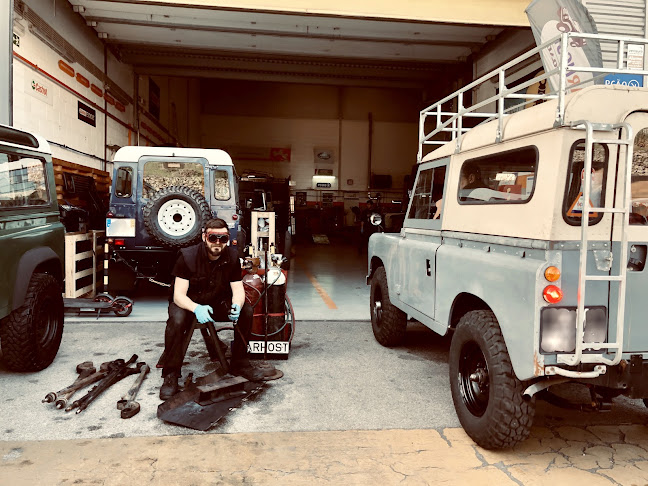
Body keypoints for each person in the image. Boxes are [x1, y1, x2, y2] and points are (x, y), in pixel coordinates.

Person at [160, 217, 263, 400]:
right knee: (176, 320)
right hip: (188, 303)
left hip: (215, 302)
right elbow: (179, 296)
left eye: (222, 239)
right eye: (213, 238)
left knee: (246, 311)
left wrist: (237, 306)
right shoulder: (187, 257)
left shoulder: (231, 257)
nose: (217, 243)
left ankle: (240, 362)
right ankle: (171, 374)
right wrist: (196, 308)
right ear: (204, 237)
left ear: (227, 239)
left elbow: (237, 289)